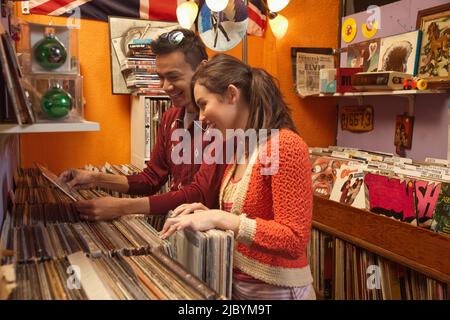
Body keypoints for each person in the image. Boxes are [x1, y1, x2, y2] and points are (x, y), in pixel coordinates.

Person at [160, 54, 315, 300]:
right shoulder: (243, 148)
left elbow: (294, 239)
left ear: (232, 94)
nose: (200, 117)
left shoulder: (285, 145)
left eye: (203, 104)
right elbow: (249, 219)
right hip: (244, 290)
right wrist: (207, 214)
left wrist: (222, 218)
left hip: (277, 292)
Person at [59, 29, 227, 221]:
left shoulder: (220, 124)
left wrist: (122, 207)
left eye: (173, 77)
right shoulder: (169, 118)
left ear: (201, 69)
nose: (164, 87)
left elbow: (199, 194)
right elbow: (151, 179)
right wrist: (94, 178)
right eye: (160, 77)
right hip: (179, 227)